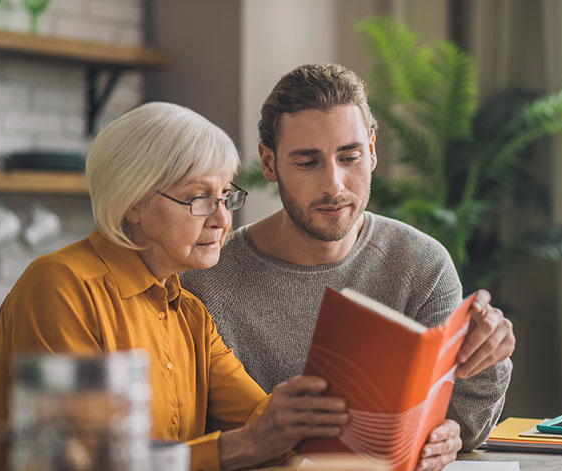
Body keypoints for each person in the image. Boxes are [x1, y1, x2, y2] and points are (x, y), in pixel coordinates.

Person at [0, 102, 349, 471]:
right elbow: (83, 461)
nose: (220, 220)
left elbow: (264, 423)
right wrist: (241, 446)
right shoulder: (62, 287)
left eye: (225, 196)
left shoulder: (189, 313)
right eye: (198, 198)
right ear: (133, 203)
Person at [180, 63, 515, 471]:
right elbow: (191, 439)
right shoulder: (207, 279)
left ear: (372, 151)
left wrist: (484, 364)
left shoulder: (421, 263)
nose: (335, 185)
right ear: (269, 163)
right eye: (308, 163)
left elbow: (463, 427)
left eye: (350, 156)